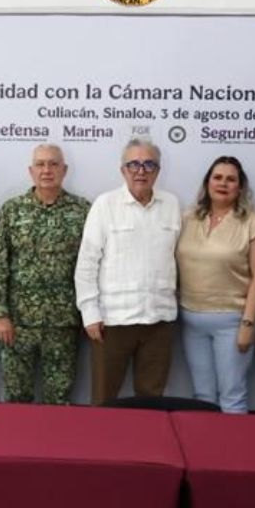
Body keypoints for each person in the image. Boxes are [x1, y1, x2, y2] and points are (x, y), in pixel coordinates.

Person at [75, 138, 181, 405]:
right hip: (112, 322)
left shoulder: (172, 205)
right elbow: (87, 262)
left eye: (149, 164)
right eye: (133, 164)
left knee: (152, 400)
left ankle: (147, 447)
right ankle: (100, 445)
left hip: (159, 321)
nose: (141, 171)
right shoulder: (105, 205)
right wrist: (90, 312)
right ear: (123, 170)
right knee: (104, 398)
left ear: (158, 170)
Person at [0, 144, 90, 404]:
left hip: (63, 323)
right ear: (31, 171)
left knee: (59, 398)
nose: (47, 170)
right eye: (40, 164)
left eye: (53, 164)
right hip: (17, 324)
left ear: (64, 170)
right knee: (17, 397)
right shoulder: (12, 210)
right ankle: (16, 445)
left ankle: (57, 445)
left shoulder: (83, 210)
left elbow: (93, 265)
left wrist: (90, 314)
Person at [175, 156, 255, 413]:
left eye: (231, 179)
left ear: (240, 187)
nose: (223, 184)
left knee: (232, 397)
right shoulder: (188, 218)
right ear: (207, 184)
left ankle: (234, 452)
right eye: (217, 178)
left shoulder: (252, 223)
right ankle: (204, 452)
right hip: (191, 320)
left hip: (232, 322)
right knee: (202, 396)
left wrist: (248, 323)